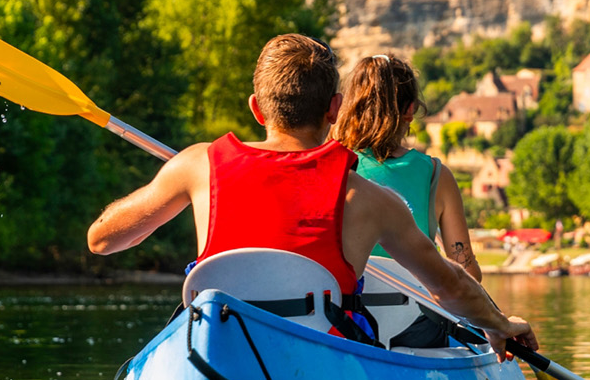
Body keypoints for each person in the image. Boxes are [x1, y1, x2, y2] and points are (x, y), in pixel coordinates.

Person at [86, 34, 536, 358]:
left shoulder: (197, 165)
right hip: (325, 362)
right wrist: (499, 324)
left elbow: (102, 239)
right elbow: (450, 284)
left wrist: (173, 179)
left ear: (257, 108)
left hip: (223, 352)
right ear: (333, 109)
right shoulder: (371, 199)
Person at [333, 54, 480, 280]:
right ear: (410, 110)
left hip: (353, 307)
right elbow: (468, 275)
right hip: (414, 310)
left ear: (350, 106)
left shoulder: (332, 167)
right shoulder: (435, 175)